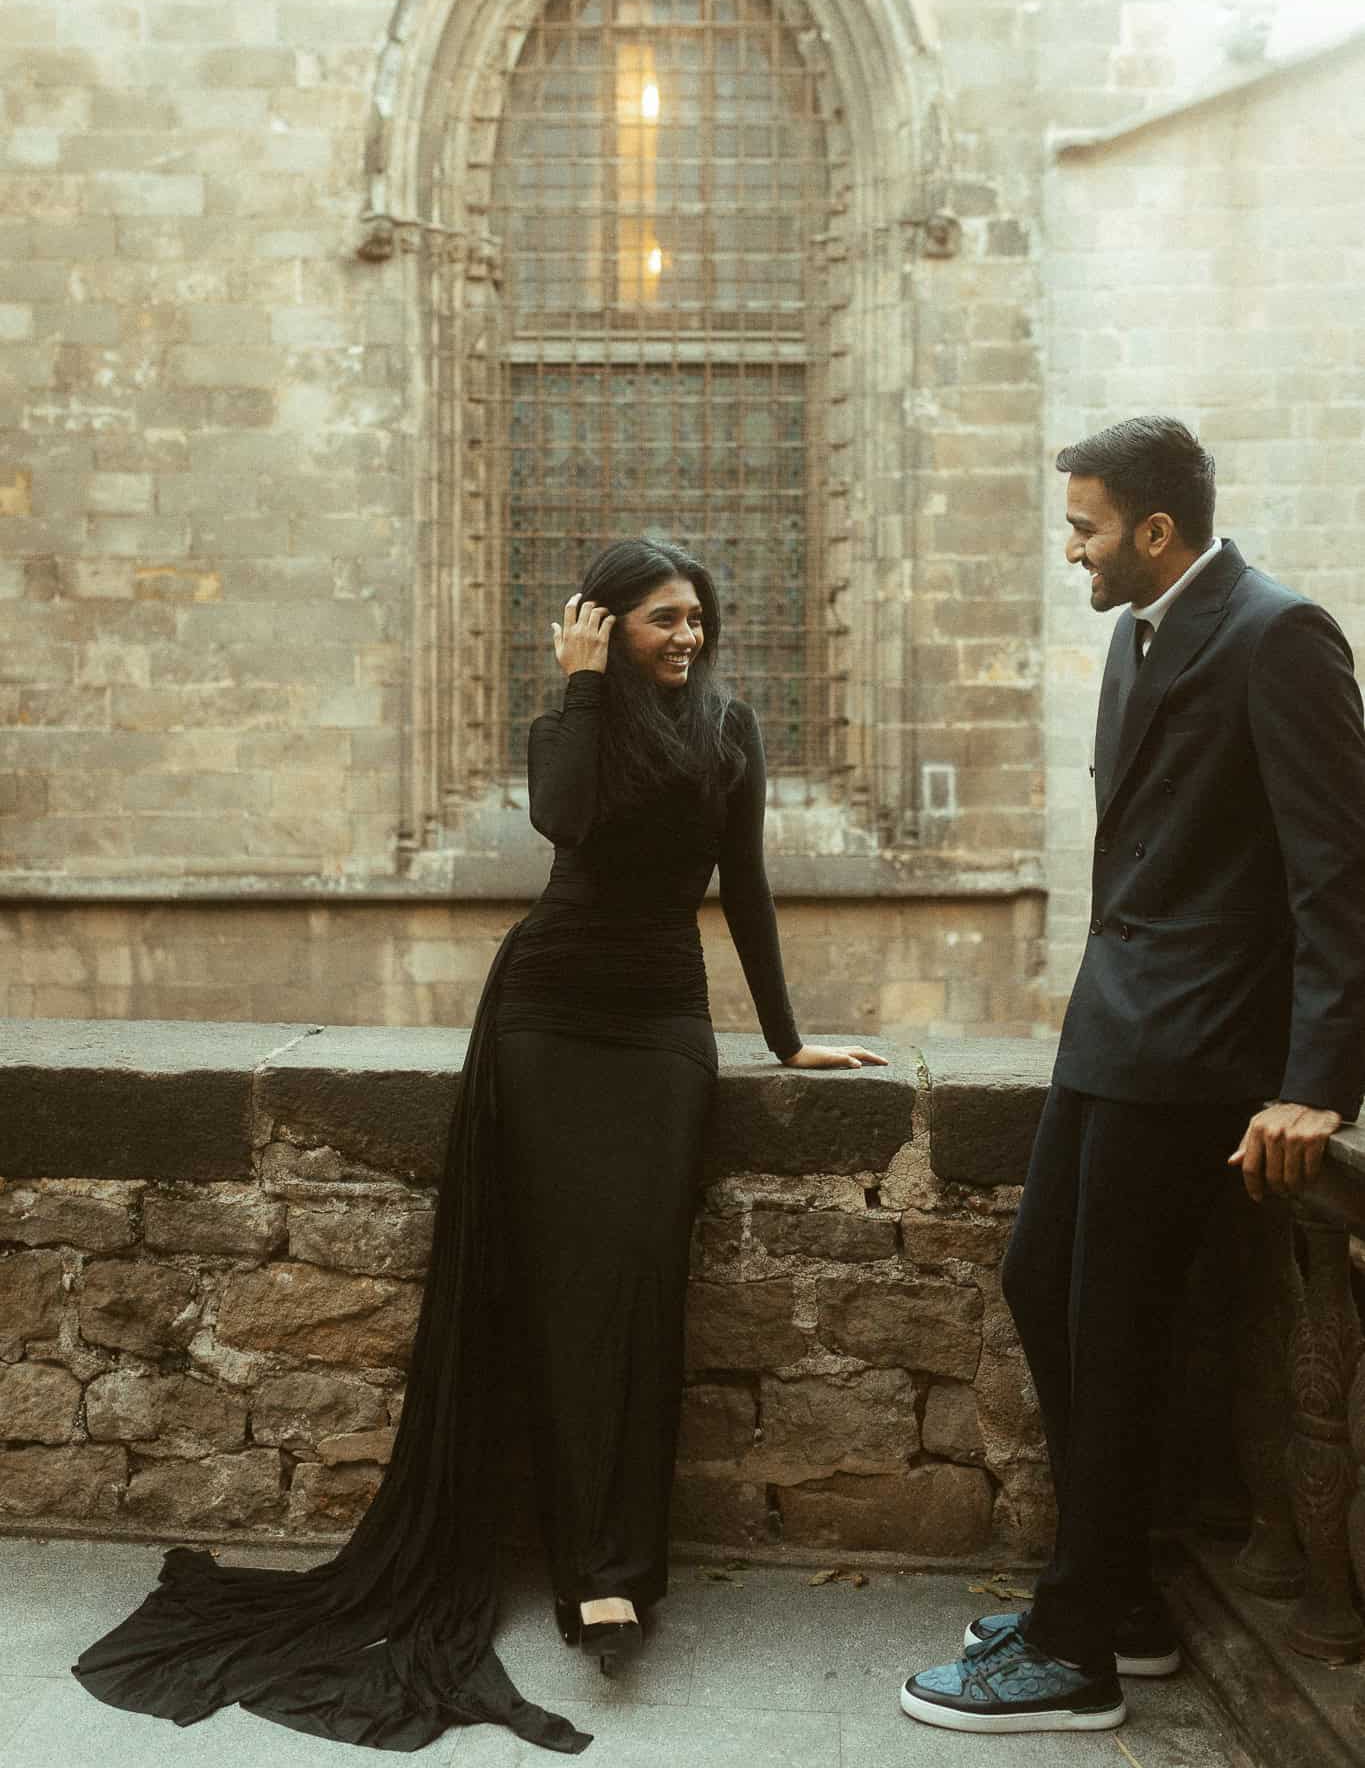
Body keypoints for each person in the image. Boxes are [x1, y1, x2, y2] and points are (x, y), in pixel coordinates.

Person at [74, 536, 882, 1756]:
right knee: (562, 1294)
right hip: (549, 1017)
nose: (688, 636)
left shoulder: (732, 730)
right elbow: (563, 820)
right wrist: (571, 686)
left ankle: (622, 1556)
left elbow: (749, 882)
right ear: (605, 625)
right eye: (662, 619)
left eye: (697, 618)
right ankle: (593, 1576)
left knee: (639, 1285)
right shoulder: (574, 724)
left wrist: (786, 1037)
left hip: (663, 1023)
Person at [901, 416, 1365, 1737]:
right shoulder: (1136, 628)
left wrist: (1317, 1081)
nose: (1071, 550)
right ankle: (1126, 1601)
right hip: (1114, 1034)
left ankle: (1076, 1644)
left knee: (1112, 1334)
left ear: (1155, 530)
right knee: (1041, 1284)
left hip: (1200, 1053)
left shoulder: (1280, 633)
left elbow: (1337, 873)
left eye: (1086, 526)